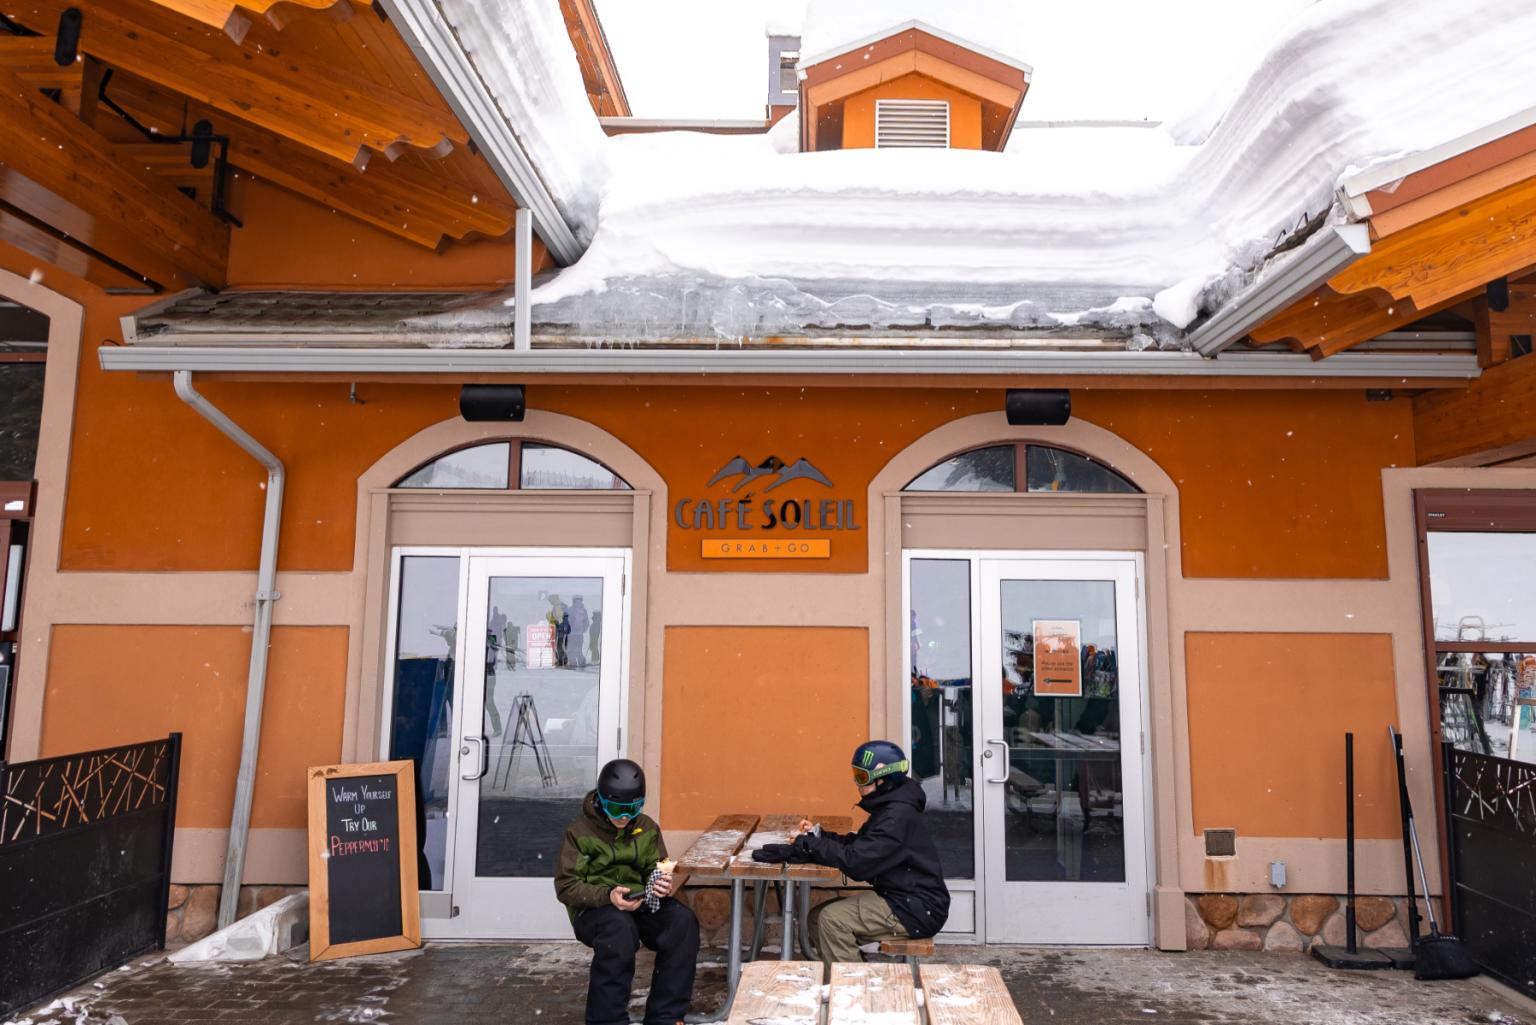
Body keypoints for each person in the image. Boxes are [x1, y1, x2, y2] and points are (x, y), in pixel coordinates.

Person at [555, 758, 699, 1025]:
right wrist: (607, 895)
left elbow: (656, 867)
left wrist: (660, 884)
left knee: (682, 922)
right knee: (619, 930)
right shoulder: (579, 833)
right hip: (594, 909)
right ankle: (606, 1020)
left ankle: (665, 1017)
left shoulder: (646, 828)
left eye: (632, 809)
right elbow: (566, 886)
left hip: (639, 901)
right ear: (601, 800)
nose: (623, 817)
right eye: (616, 808)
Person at [794, 740, 950, 965]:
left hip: (915, 908)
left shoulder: (896, 816)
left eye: (863, 777)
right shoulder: (891, 806)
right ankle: (855, 977)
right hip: (902, 897)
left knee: (831, 920)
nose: (858, 784)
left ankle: (852, 991)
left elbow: (857, 862)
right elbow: (861, 845)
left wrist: (813, 846)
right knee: (817, 918)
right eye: (856, 775)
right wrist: (818, 837)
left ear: (885, 778)